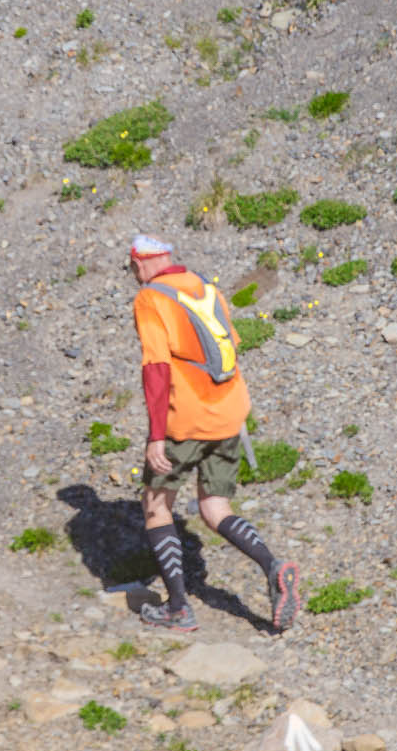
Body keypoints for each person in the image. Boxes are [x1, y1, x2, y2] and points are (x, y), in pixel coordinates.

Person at [126, 233, 301, 633]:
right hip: (229, 414)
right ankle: (272, 566)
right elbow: (229, 347)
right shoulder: (205, 287)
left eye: (132, 267)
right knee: (215, 508)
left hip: (186, 418)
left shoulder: (151, 298)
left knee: (156, 505)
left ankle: (178, 608)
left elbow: (156, 369)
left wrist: (156, 436)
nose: (133, 274)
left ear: (139, 263)